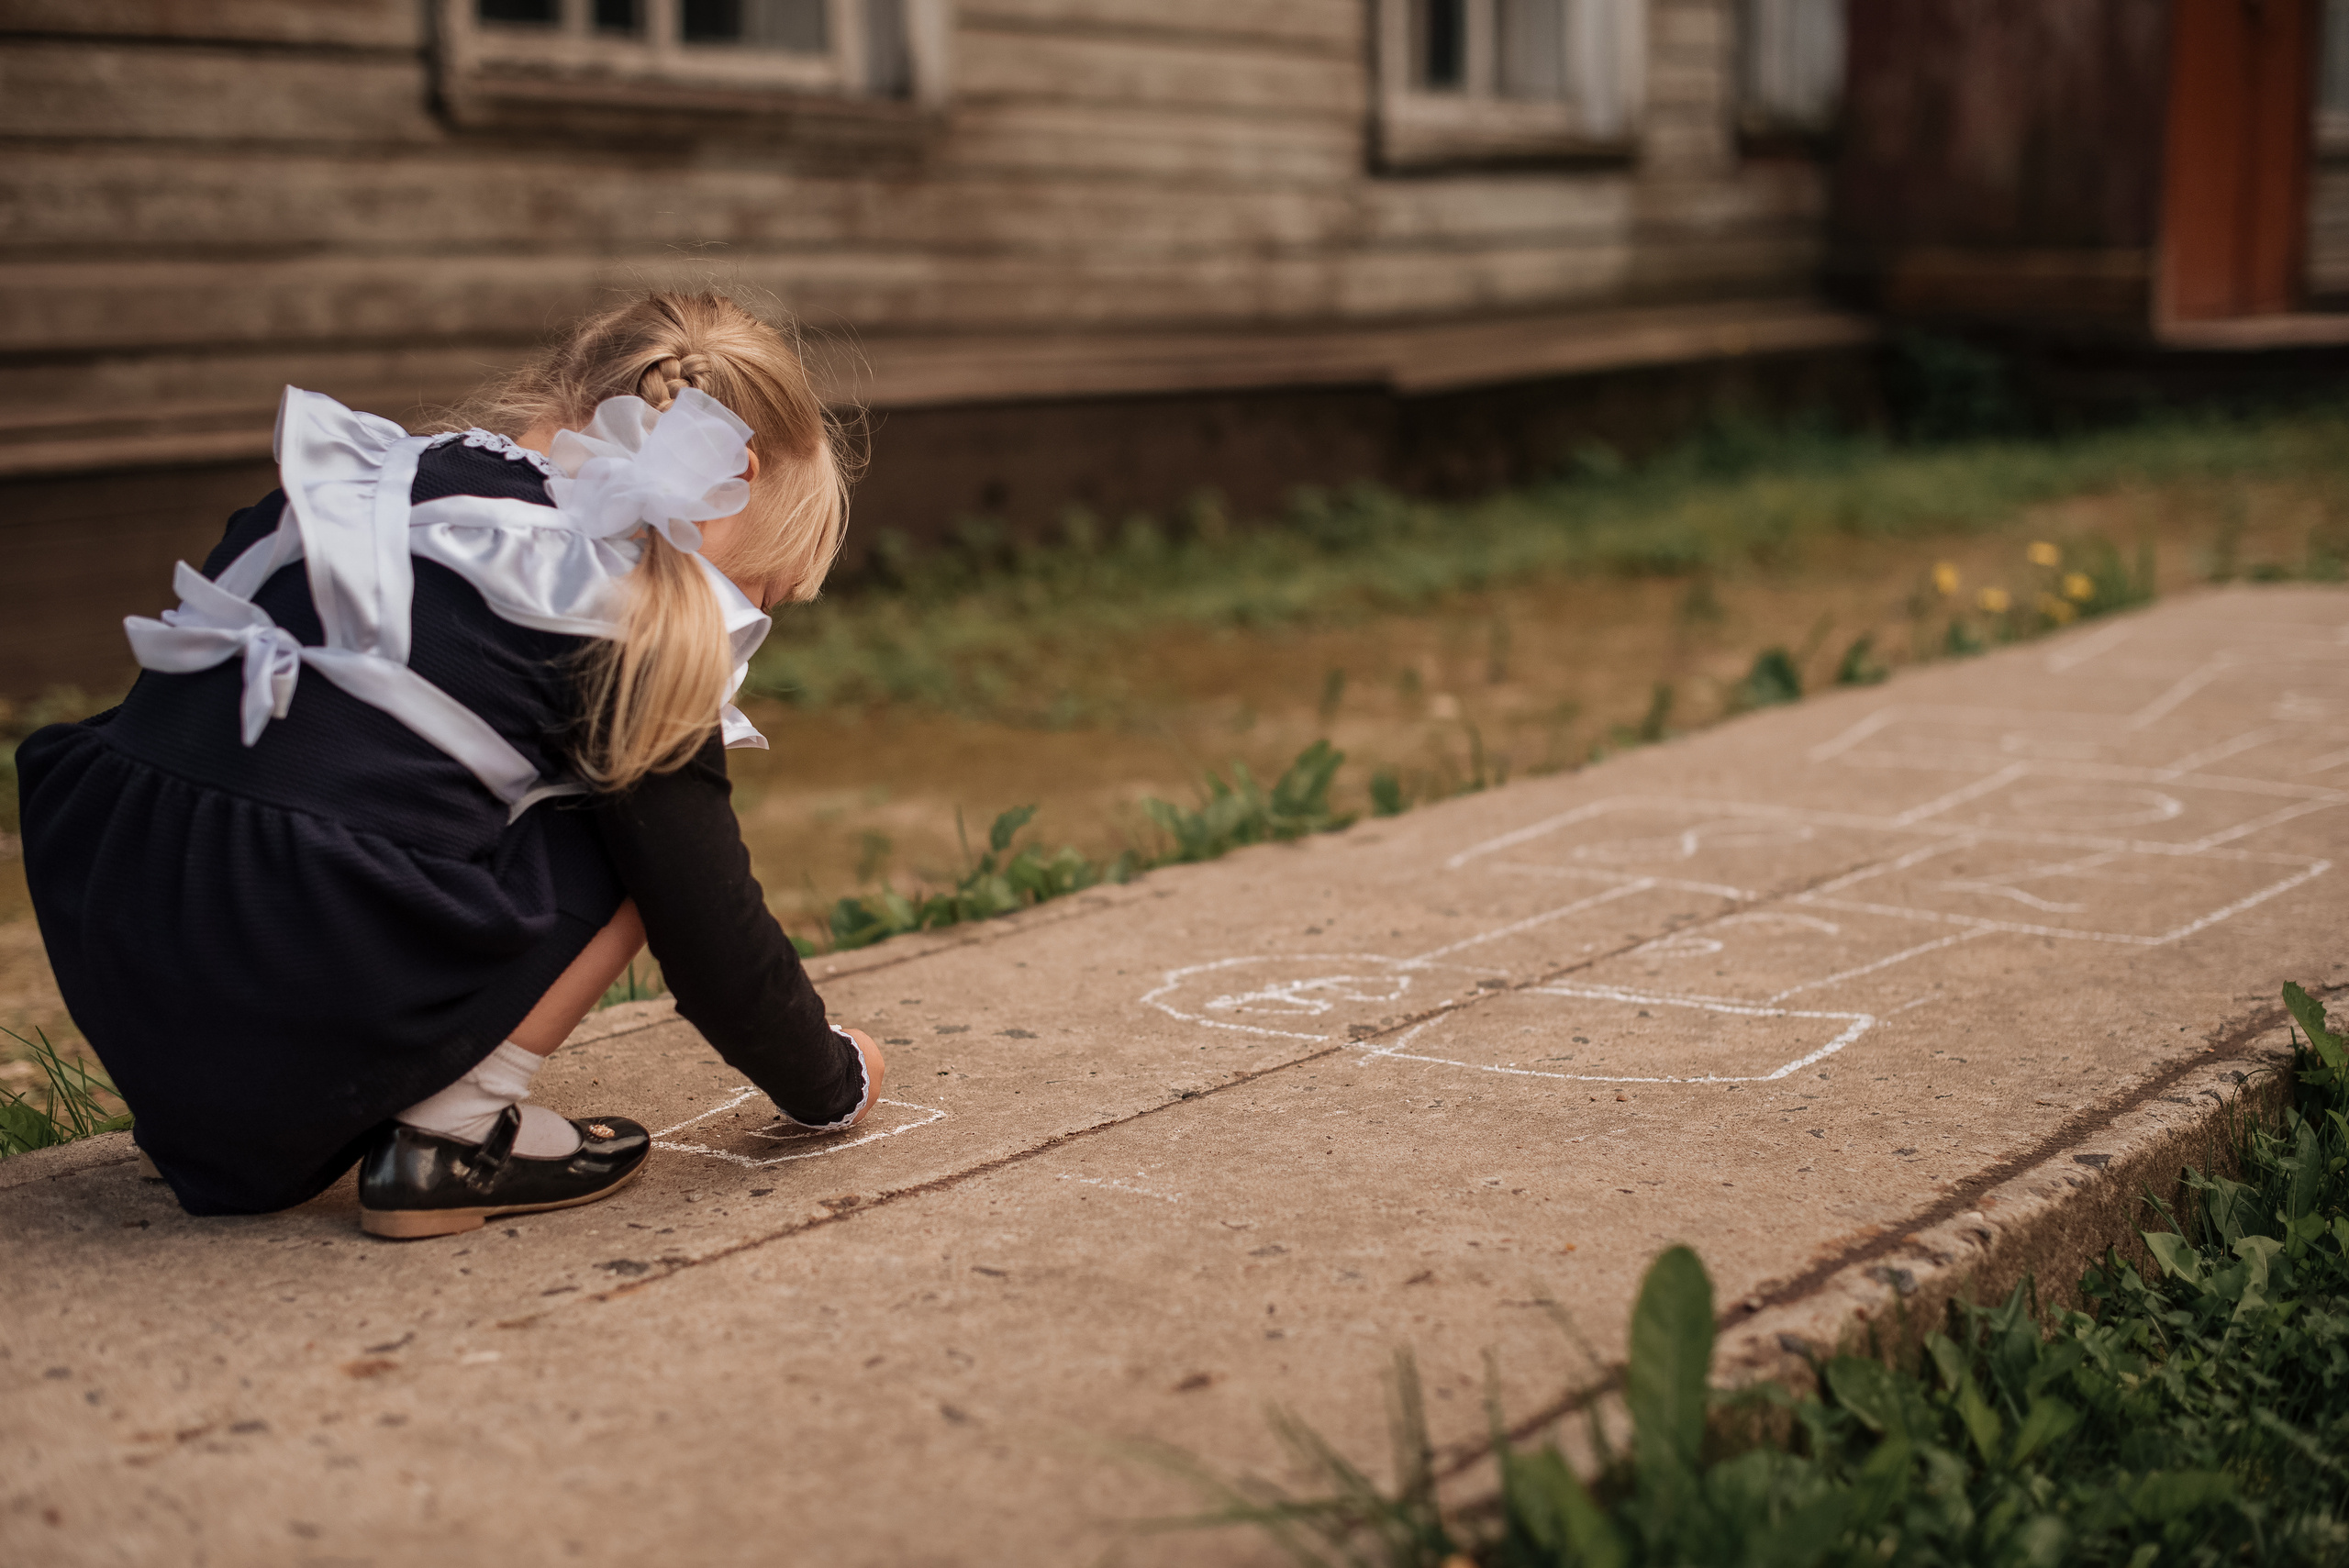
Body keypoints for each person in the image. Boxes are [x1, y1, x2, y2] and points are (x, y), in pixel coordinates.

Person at [17, 291, 885, 1239]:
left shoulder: (392, 476)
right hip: (287, 957)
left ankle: (260, 1083)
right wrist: (831, 1080)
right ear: (733, 476)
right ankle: (456, 1137)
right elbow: (709, 927)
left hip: (136, 942)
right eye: (760, 589)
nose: (748, 623)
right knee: (650, 837)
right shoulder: (613, 594)